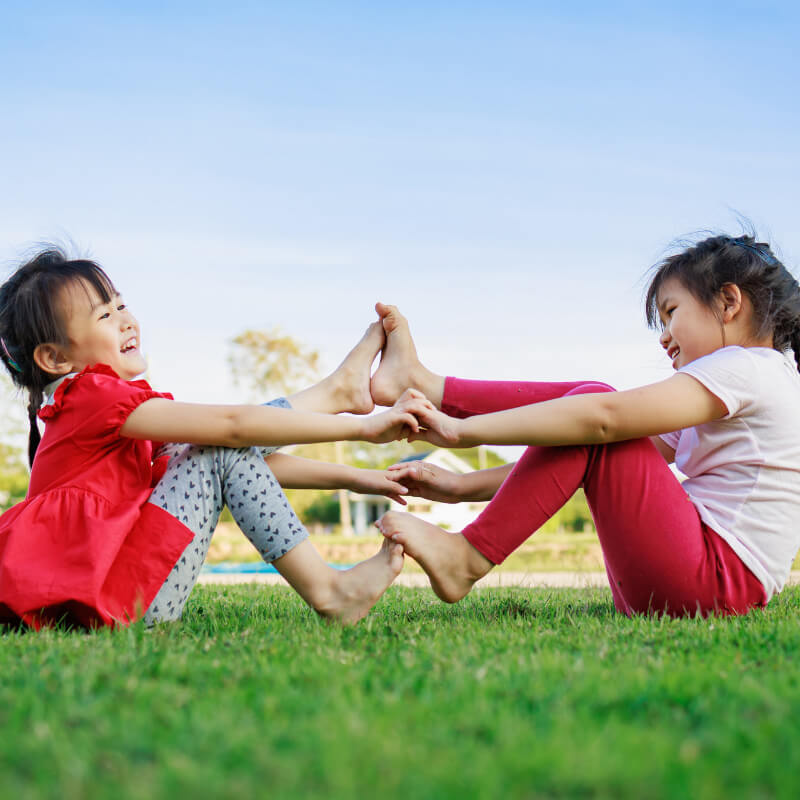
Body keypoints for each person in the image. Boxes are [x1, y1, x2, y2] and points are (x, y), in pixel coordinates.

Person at [0, 247, 432, 630]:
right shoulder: (89, 395)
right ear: (55, 358)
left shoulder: (103, 410)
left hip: (129, 597)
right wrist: (362, 428)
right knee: (212, 445)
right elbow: (233, 427)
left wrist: (358, 478)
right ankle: (330, 589)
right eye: (105, 315)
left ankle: (336, 392)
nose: (126, 321)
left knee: (211, 450)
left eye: (121, 304)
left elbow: (235, 454)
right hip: (123, 602)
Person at [372, 233, 800, 617]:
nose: (664, 335)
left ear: (728, 302)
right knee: (591, 403)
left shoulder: (748, 368)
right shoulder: (751, 378)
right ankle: (427, 385)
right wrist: (461, 487)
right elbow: (583, 448)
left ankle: (467, 555)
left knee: (595, 403)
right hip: (697, 581)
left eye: (671, 312)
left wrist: (460, 433)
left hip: (713, 581)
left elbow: (602, 421)